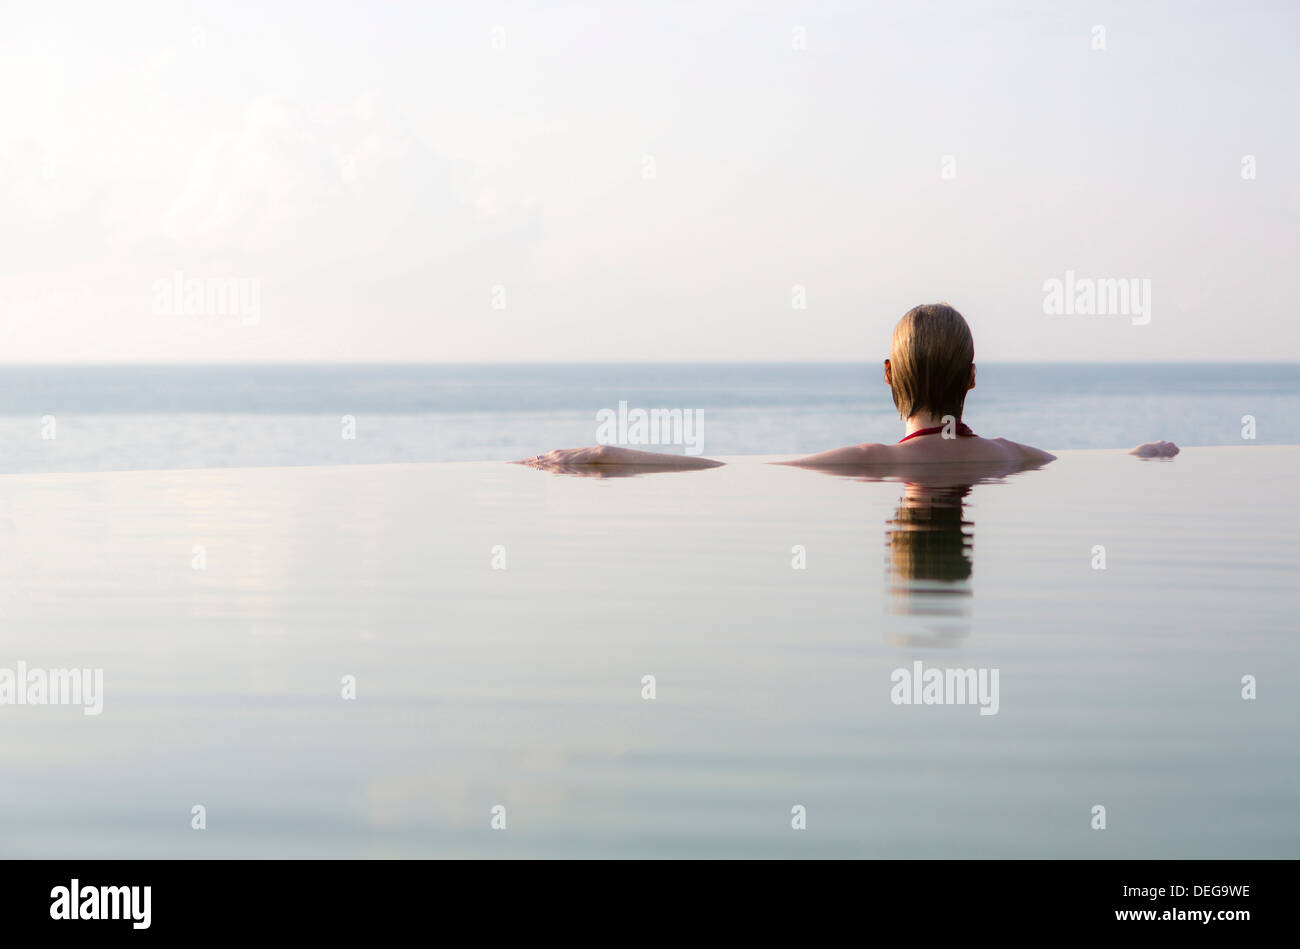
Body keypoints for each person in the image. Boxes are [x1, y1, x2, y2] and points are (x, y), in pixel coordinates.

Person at [518, 303, 1177, 472]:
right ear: (973, 379)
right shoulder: (1010, 456)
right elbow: (1100, 462)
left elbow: (732, 467)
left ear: (889, 375)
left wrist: (608, 455)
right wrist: (1146, 453)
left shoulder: (874, 462)